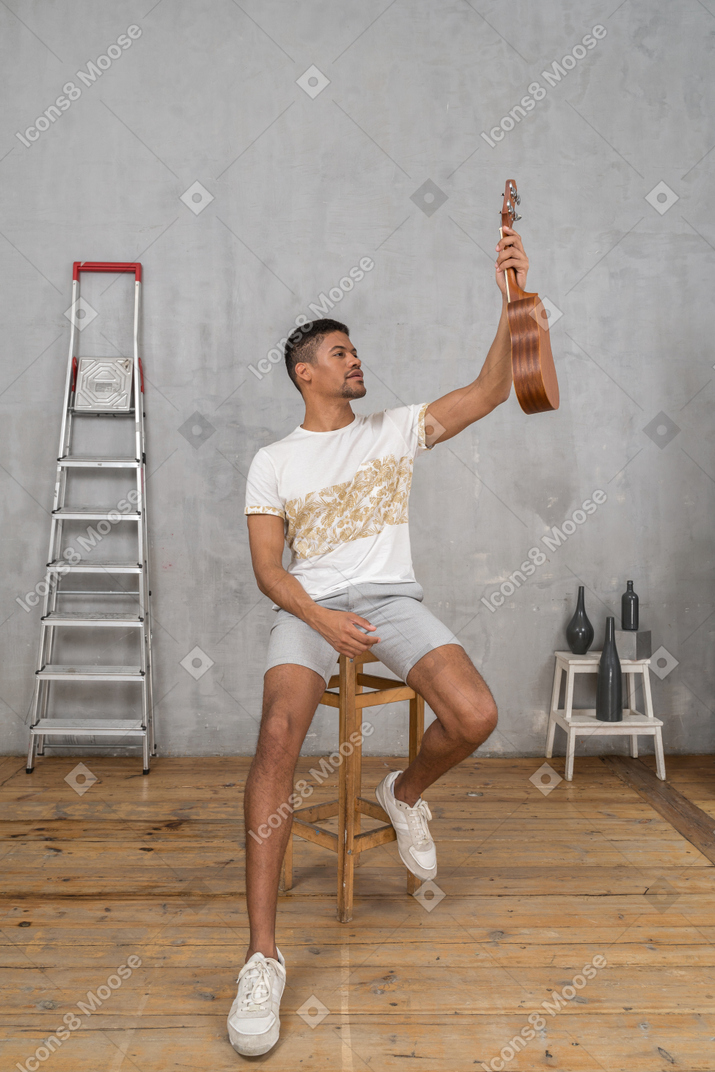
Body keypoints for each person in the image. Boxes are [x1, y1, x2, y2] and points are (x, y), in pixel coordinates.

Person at [227, 226, 530, 1056]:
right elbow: (266, 570)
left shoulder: (394, 430)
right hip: (308, 606)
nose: (355, 360)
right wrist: (320, 621)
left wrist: (509, 301)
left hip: (390, 600)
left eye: (354, 349)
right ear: (305, 374)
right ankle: (262, 956)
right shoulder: (273, 461)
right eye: (339, 352)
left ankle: (404, 790)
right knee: (280, 734)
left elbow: (489, 390)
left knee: (474, 715)